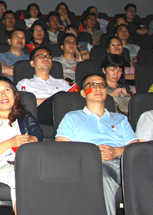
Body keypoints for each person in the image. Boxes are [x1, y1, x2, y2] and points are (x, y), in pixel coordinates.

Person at [55, 74, 139, 215]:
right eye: (92, 85)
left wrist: (116, 151)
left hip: (122, 163)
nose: (98, 88)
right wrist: (92, 154)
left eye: (102, 85)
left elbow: (135, 148)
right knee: (100, 175)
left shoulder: (120, 119)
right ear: (83, 93)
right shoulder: (72, 117)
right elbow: (61, 148)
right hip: (90, 164)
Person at [0, 77, 42, 213]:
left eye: (7, 90)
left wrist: (30, 141)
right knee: (17, 175)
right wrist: (11, 143)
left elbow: (37, 133)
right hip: (0, 165)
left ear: (15, 95)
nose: (3, 94)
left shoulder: (25, 117)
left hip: (28, 162)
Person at [16, 47, 71, 125]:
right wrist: (56, 101)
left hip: (63, 115)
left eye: (48, 56)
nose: (45, 58)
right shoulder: (25, 83)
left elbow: (72, 101)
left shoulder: (62, 83)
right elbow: (21, 102)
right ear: (32, 63)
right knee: (61, 96)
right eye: (40, 56)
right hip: (37, 116)